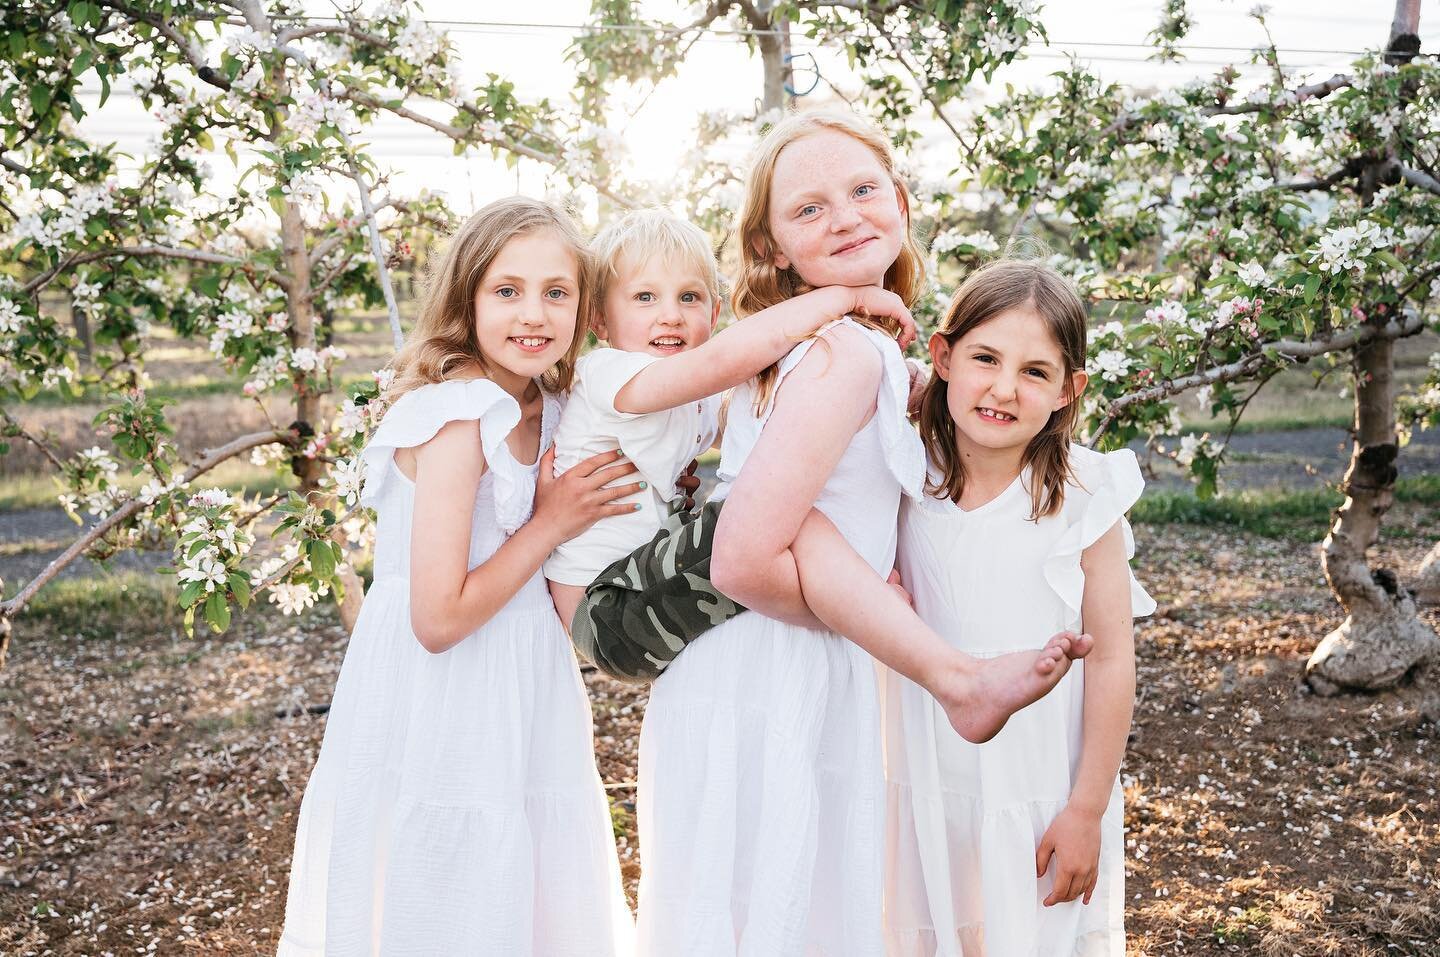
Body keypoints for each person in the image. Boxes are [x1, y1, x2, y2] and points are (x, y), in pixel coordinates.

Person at [633, 109, 1093, 956]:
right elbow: (742, 557)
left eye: (862, 190)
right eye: (807, 210)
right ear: (771, 248)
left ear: (902, 202)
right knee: (785, 913)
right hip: (775, 669)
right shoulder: (843, 353)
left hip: (764, 666)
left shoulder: (842, 348)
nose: (843, 215)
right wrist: (887, 628)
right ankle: (959, 682)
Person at [277, 197, 637, 956]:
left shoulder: (558, 404)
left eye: (556, 291)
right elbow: (436, 619)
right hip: (445, 694)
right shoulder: (454, 416)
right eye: (506, 291)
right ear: (467, 296)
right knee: (453, 883)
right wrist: (552, 521)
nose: (532, 313)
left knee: (531, 878)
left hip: (525, 682)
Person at [882, 257, 1156, 956]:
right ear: (942, 357)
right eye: (985, 358)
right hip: (923, 769)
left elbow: (1114, 659)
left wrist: (1086, 808)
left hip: (1041, 785)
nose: (1004, 387)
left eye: (1035, 371)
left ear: (1069, 390)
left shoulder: (1088, 496)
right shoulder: (905, 474)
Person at [542, 208, 917, 650]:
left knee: (777, 507)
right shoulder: (607, 373)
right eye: (644, 298)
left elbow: (767, 415)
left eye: (689, 298)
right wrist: (845, 298)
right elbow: (725, 361)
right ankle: (868, 608)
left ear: (715, 312)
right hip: (604, 605)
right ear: (599, 321)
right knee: (760, 520)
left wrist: (895, 383)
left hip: (639, 582)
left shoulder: (691, 398)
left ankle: (858, 596)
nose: (671, 316)